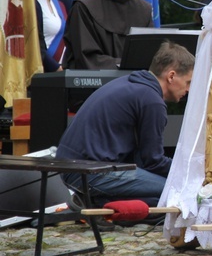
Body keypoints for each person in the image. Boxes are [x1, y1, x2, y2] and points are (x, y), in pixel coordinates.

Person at [57, 40, 194, 207]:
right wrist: (189, 173)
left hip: (73, 167)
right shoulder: (151, 101)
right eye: (188, 82)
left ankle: (95, 200)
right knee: (174, 194)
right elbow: (153, 161)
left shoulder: (131, 83)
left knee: (163, 197)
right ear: (171, 76)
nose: (188, 89)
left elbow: (143, 160)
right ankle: (95, 202)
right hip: (89, 172)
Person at [31, 0, 67, 72]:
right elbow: (33, 42)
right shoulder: (30, 3)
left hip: (59, 66)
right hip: (40, 67)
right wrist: (55, 67)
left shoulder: (59, 5)